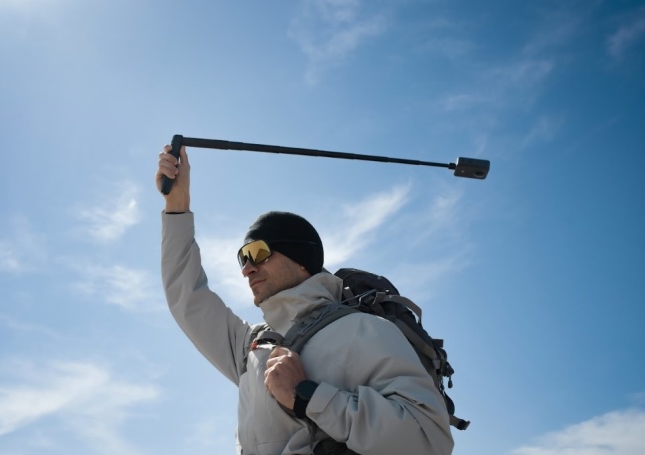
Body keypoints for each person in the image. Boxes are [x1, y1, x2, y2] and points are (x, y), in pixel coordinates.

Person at [156, 143, 454, 455]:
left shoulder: (364, 330)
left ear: (301, 259)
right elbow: (187, 298)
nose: (247, 269)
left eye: (258, 252)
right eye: (243, 258)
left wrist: (307, 396)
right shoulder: (253, 347)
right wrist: (176, 207)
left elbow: (429, 438)